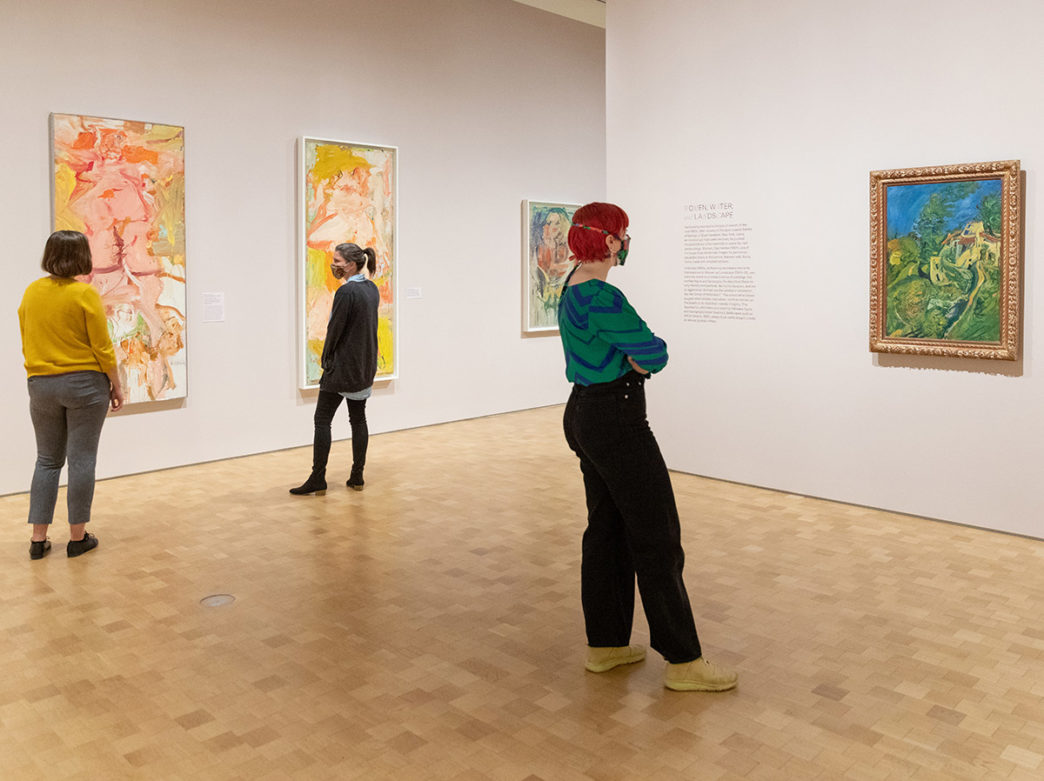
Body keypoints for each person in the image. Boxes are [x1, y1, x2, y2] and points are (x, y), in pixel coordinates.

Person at [559, 202, 737, 692]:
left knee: (606, 530)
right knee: (658, 537)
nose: (627, 242)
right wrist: (641, 358)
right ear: (610, 241)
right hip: (617, 419)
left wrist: (633, 357)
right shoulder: (602, 296)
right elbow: (654, 352)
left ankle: (606, 645)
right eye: (624, 234)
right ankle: (683, 661)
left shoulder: (571, 284)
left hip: (584, 412)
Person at [18, 230, 124, 560]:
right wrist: (116, 384)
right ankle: (77, 538)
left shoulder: (32, 292)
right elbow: (102, 347)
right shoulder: (84, 294)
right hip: (84, 385)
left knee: (47, 460)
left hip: (41, 384)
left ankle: (38, 539)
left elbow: (26, 337)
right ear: (82, 256)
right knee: (81, 460)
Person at [291, 242, 380, 495]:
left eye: (337, 261)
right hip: (363, 367)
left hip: (342, 369)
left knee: (322, 420)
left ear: (351, 264)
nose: (334, 265)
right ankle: (357, 476)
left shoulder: (346, 292)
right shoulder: (372, 289)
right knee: (358, 419)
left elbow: (334, 331)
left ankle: (318, 477)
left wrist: (326, 359)